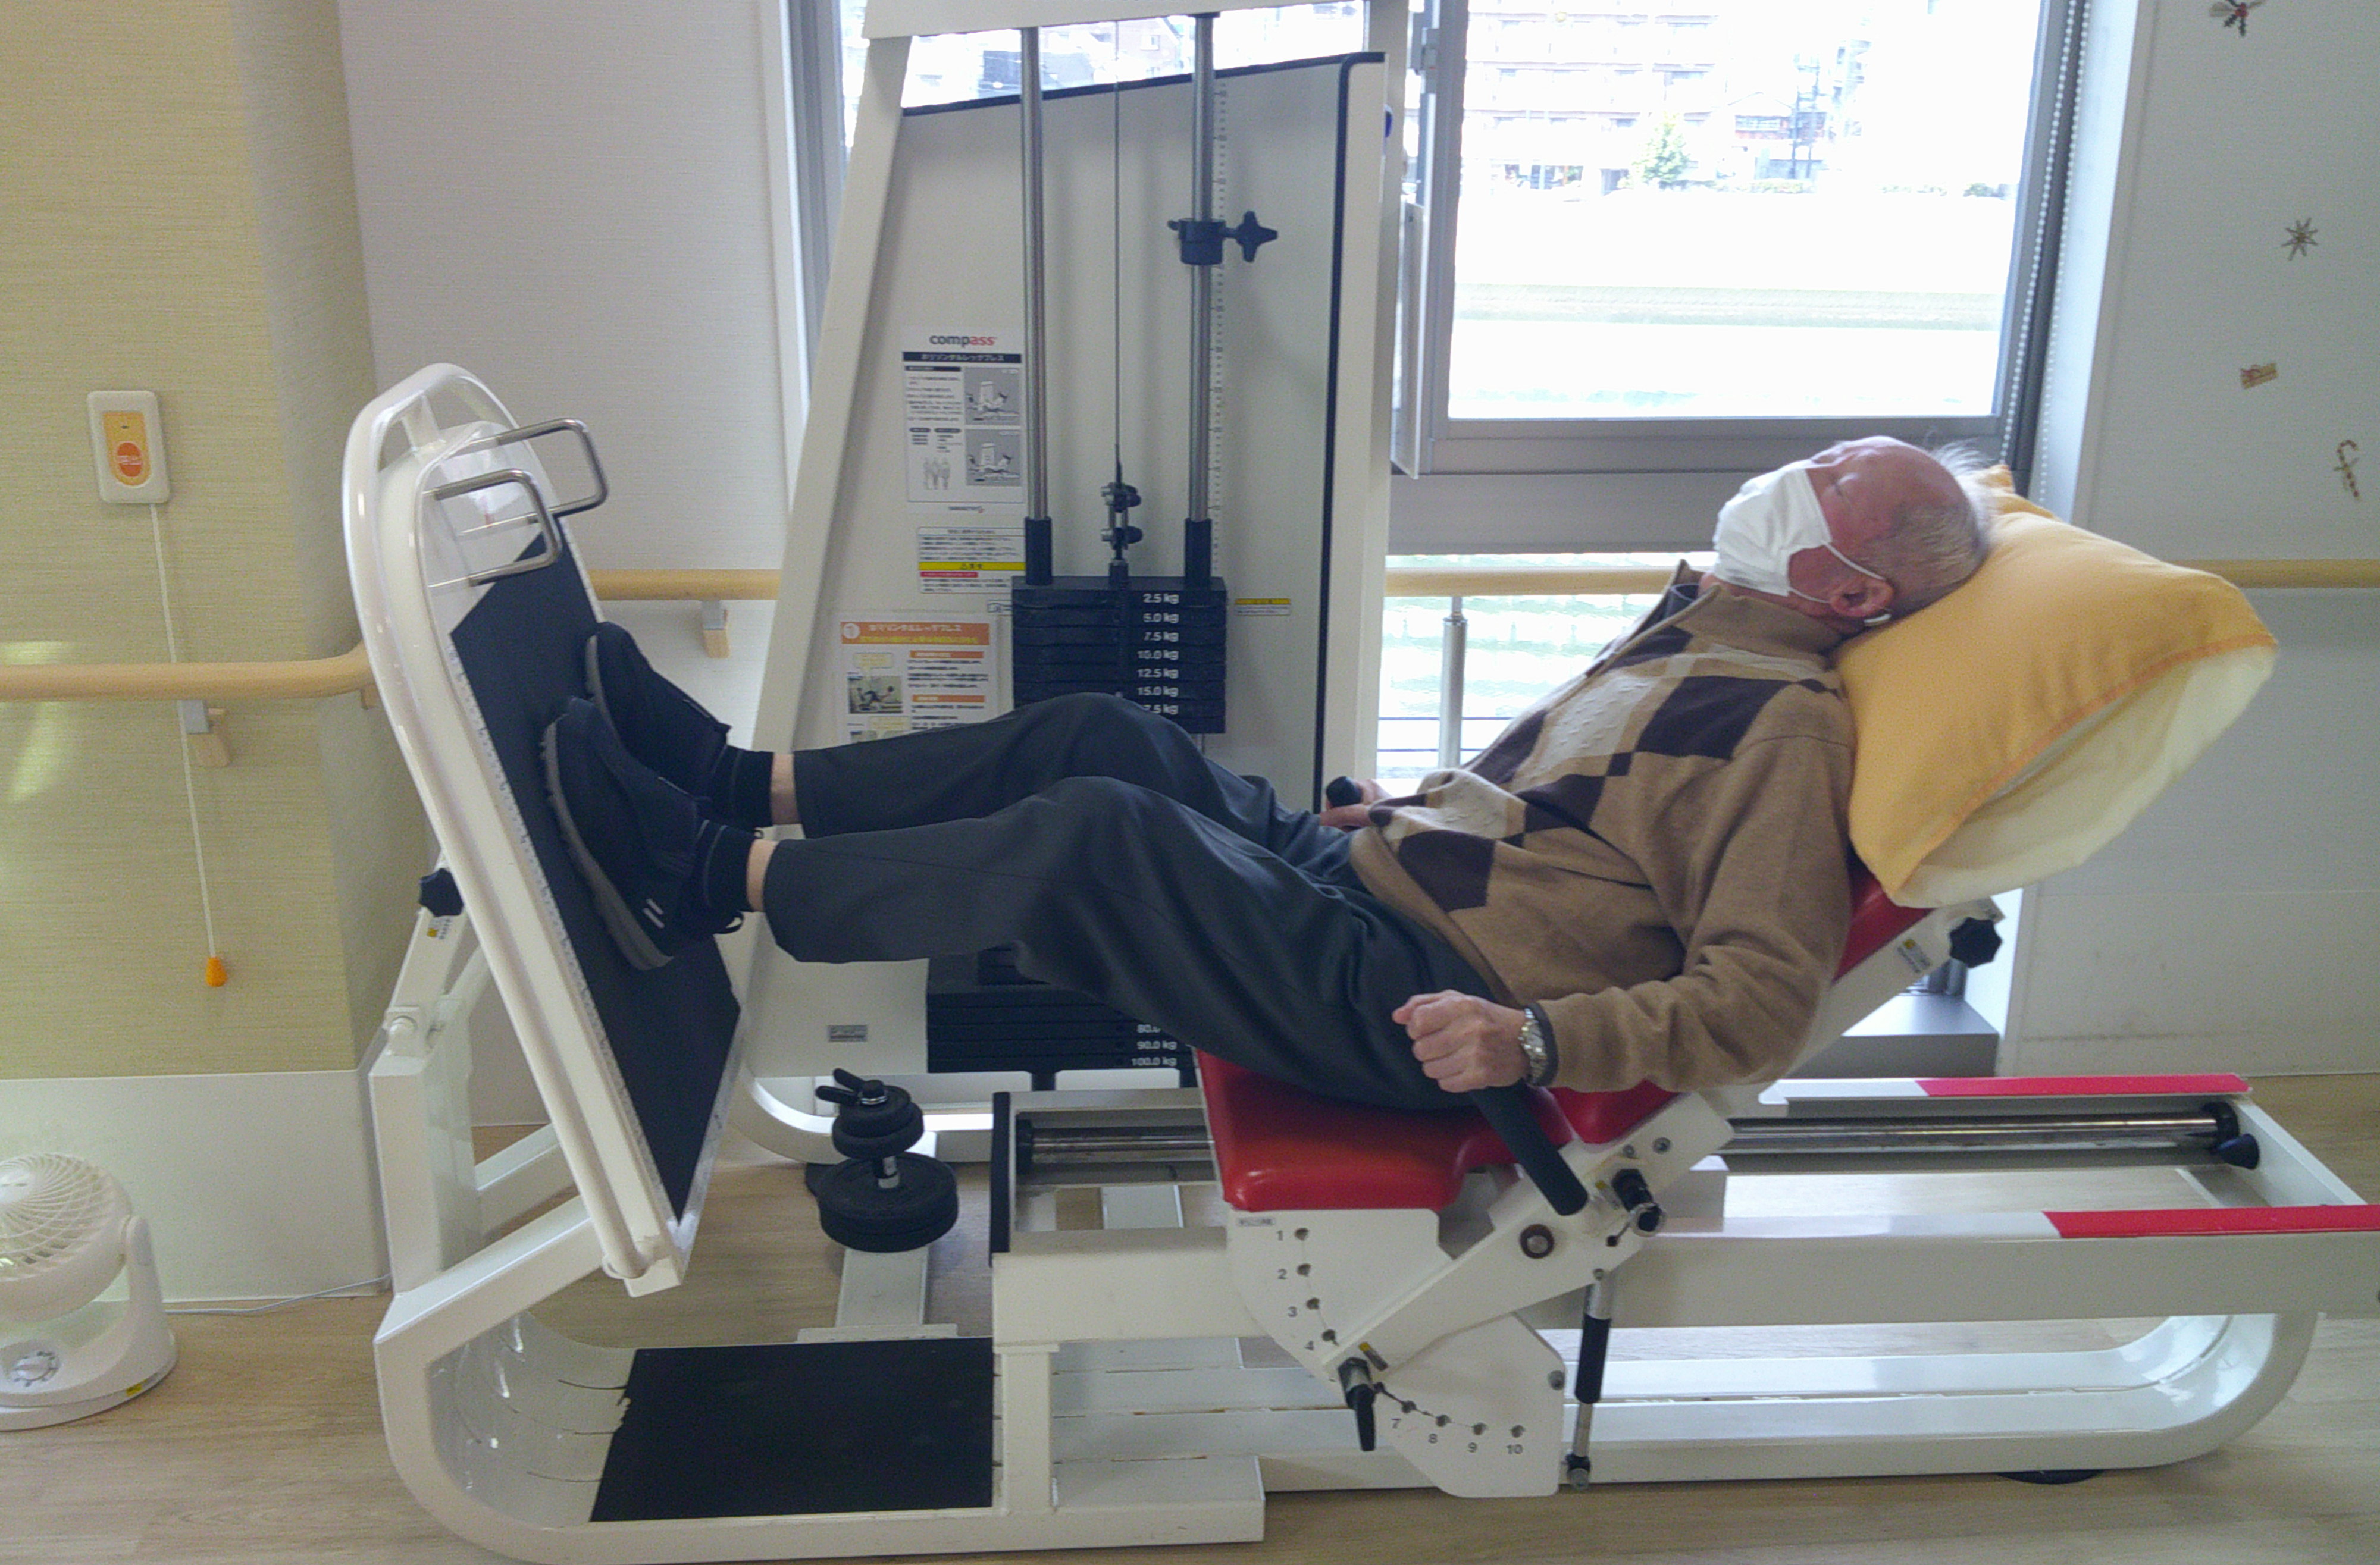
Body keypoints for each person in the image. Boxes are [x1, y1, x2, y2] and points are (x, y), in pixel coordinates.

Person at [541, 437, 1989, 1112]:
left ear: (1852, 591)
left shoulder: (1782, 725)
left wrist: (1535, 1043)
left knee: (1098, 833)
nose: (1794, 472)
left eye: (1827, 483)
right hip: (1367, 873)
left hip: (1421, 1003)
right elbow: (1568, 828)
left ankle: (701, 879)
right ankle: (738, 783)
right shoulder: (1699, 635)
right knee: (1102, 733)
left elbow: (1758, 1007)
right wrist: (1401, 814)